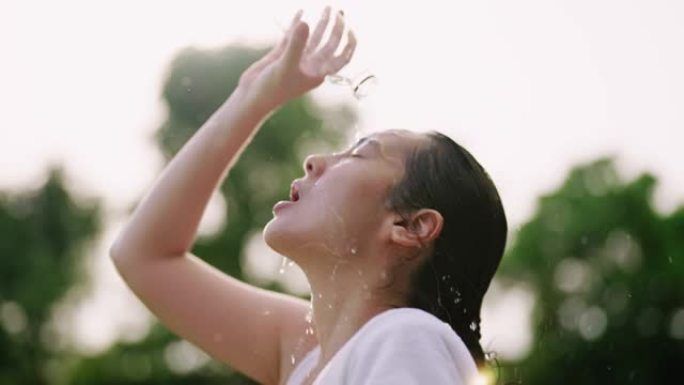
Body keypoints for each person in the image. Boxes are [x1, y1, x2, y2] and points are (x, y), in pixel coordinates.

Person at [110, 6, 507, 385]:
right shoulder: (306, 354)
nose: (315, 161)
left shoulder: (405, 336)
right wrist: (252, 99)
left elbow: (145, 257)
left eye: (358, 153)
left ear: (409, 226)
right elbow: (143, 255)